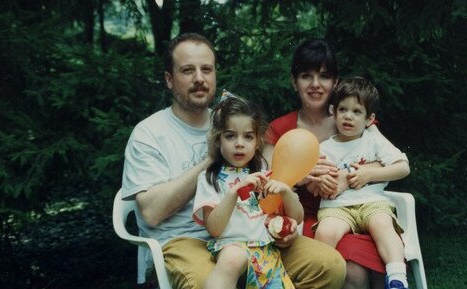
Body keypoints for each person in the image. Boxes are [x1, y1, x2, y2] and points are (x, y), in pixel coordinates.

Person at [121, 32, 345, 289]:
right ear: (169, 80)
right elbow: (150, 213)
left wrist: (282, 223)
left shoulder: (236, 121)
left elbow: (269, 183)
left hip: (253, 234)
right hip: (186, 240)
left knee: (329, 266)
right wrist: (211, 159)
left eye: (206, 69)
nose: (199, 79)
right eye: (187, 70)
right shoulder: (150, 133)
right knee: (207, 283)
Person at [265, 38, 387, 289]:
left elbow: (387, 163)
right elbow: (266, 185)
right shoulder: (278, 129)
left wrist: (347, 178)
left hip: (349, 214)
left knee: (357, 273)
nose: (316, 85)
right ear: (294, 81)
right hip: (300, 220)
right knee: (338, 270)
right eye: (306, 76)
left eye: (324, 76)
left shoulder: (354, 121)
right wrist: (301, 177)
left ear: (336, 83)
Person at [193, 95, 302, 289]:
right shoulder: (210, 178)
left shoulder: (264, 175)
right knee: (234, 257)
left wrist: (286, 192)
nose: (239, 143)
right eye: (230, 136)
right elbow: (214, 229)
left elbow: (297, 218)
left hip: (265, 252)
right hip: (230, 247)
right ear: (218, 140)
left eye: (248, 137)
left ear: (257, 142)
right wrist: (235, 190)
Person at [311, 76, 410, 289]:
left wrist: (368, 174)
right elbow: (314, 180)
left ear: (369, 119)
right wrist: (322, 181)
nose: (348, 116)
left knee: (382, 225)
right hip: (337, 208)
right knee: (325, 232)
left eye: (357, 112)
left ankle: (397, 277)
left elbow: (403, 167)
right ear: (332, 112)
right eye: (343, 110)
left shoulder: (374, 141)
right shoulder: (324, 148)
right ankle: (321, 279)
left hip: (373, 203)